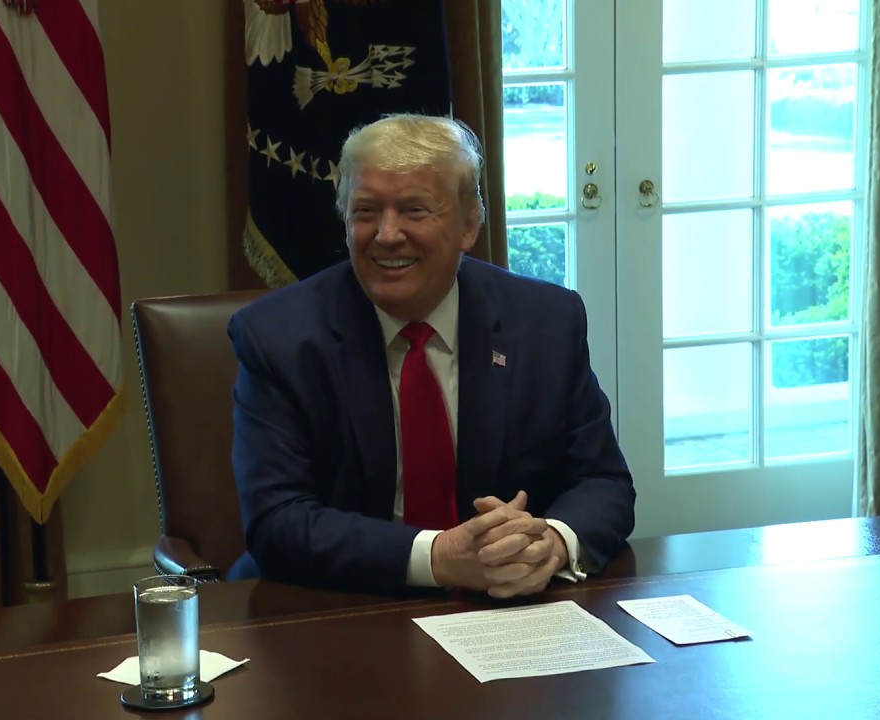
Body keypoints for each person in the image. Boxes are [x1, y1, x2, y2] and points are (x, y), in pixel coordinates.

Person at [226, 113, 634, 597]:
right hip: (336, 606)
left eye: (415, 210)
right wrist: (439, 557)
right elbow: (278, 521)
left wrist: (551, 542)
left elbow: (603, 481)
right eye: (365, 211)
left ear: (469, 224)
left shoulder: (545, 321)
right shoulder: (278, 338)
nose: (387, 234)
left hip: (505, 610)